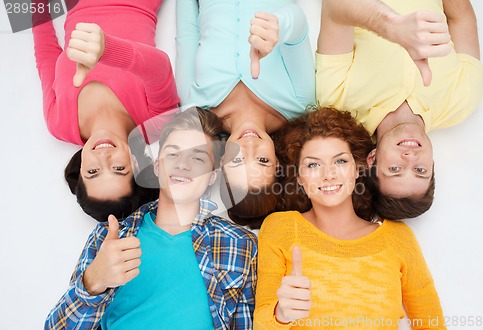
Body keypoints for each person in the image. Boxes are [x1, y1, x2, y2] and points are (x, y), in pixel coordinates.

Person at [45, 108, 258, 329]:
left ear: (212, 176)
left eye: (197, 157)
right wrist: (92, 282)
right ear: (157, 167)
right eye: (173, 154)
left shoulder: (240, 244)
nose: (183, 164)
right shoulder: (110, 237)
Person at [254, 107, 445, 329]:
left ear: (357, 169)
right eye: (313, 164)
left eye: (340, 161)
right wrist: (280, 315)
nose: (328, 174)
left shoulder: (398, 238)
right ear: (299, 178)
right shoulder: (280, 228)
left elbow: (432, 324)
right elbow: (261, 323)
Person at [316, 0, 483, 219]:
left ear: (372, 159)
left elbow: (334, 8)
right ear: (432, 163)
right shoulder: (464, 98)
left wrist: (392, 26)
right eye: (420, 170)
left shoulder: (337, 100)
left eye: (395, 169)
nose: (410, 158)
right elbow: (460, 17)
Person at [32, 0, 179, 221]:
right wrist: (107, 50)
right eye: (118, 168)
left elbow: (46, 55)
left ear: (81, 170)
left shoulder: (58, 124)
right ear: (136, 165)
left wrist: (35, 5)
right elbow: (160, 67)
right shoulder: (155, 123)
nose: (103, 157)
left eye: (93, 172)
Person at [176, 0, 315, 228]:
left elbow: (187, 34)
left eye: (238, 160)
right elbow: (298, 28)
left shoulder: (195, 105)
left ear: (221, 162)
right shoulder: (299, 103)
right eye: (262, 160)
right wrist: (278, 27)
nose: (249, 146)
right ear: (278, 162)